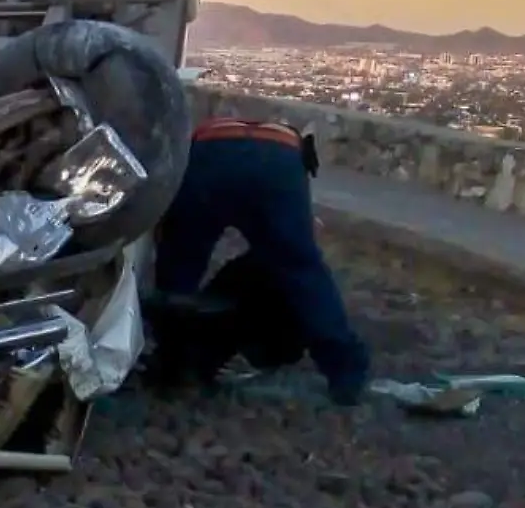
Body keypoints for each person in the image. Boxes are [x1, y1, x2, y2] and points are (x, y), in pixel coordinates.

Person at [147, 117, 371, 405]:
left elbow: (167, 225)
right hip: (277, 165)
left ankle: (173, 364)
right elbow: (299, 243)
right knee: (305, 274)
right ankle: (346, 373)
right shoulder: (291, 148)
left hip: (209, 160)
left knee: (179, 271)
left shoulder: (202, 133)